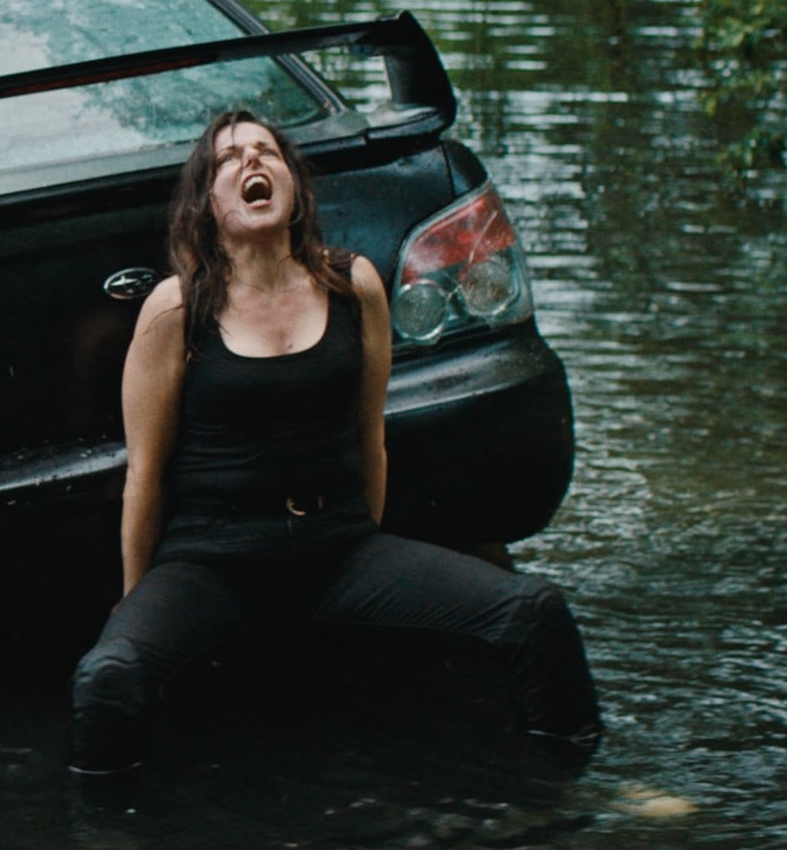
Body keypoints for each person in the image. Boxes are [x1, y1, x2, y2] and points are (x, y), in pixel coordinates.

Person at [68, 109, 601, 776]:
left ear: (293, 186)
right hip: (212, 560)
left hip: (339, 547)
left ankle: (572, 793)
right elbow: (145, 476)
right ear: (207, 201)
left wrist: (366, 556)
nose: (252, 164)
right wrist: (136, 598)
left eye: (268, 153)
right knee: (108, 678)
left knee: (534, 613)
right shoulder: (176, 309)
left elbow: (369, 437)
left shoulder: (352, 285)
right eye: (229, 160)